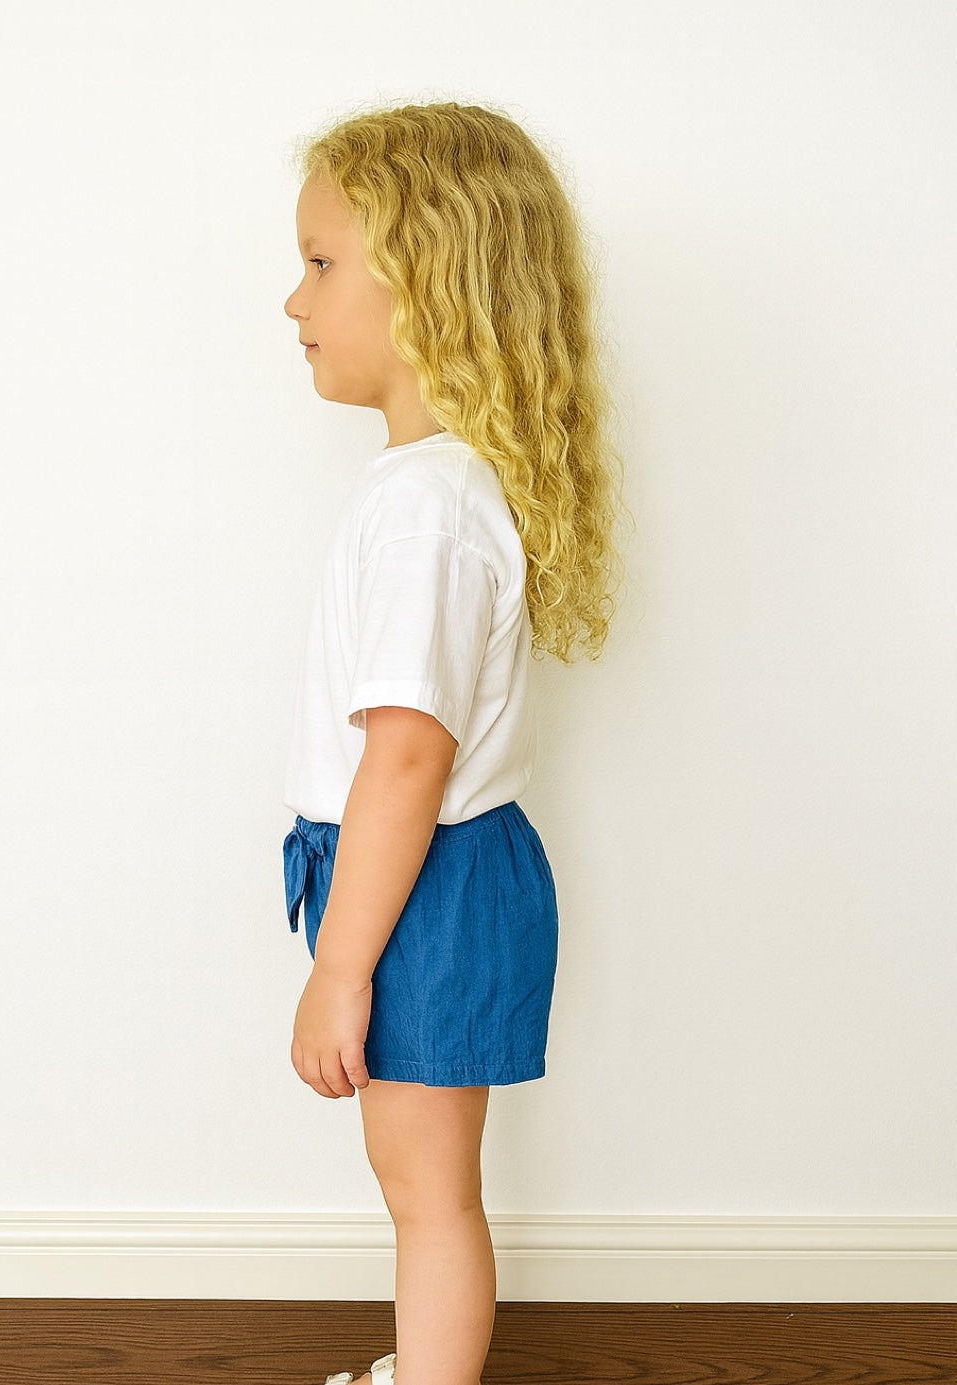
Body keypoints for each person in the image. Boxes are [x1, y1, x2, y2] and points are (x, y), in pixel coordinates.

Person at [280, 100, 624, 1385]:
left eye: (321, 263)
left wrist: (340, 966)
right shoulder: (432, 487)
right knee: (421, 1180)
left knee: (426, 1191)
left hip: (421, 882)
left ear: (425, 289)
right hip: (429, 876)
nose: (292, 298)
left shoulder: (424, 512)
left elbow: (406, 758)